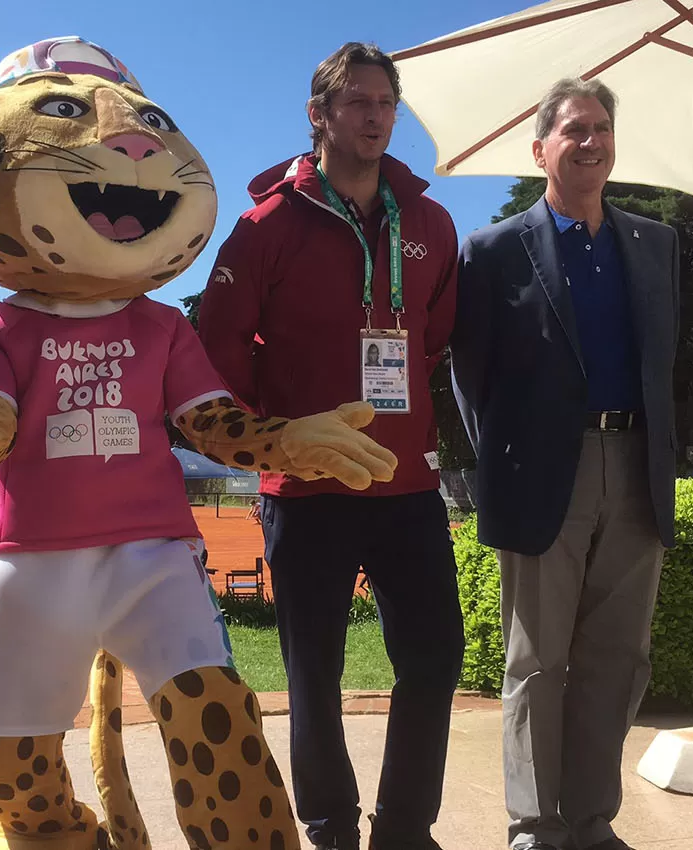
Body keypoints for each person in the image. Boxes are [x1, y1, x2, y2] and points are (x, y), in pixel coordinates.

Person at [199, 42, 463, 850]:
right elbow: (217, 347)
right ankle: (332, 829)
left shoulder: (430, 221)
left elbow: (436, 339)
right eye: (357, 101)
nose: (376, 115)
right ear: (318, 115)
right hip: (305, 491)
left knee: (435, 657)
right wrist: (274, 443)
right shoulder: (266, 223)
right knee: (313, 672)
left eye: (386, 101)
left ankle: (406, 830)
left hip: (407, 489)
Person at [449, 78, 680, 850]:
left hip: (638, 465)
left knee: (618, 660)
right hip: (547, 473)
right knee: (537, 661)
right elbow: (470, 375)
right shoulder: (491, 249)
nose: (591, 141)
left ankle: (590, 822)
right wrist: (508, 464)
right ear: (540, 147)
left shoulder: (656, 245)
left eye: (602, 127)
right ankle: (534, 825)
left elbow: (659, 364)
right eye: (575, 129)